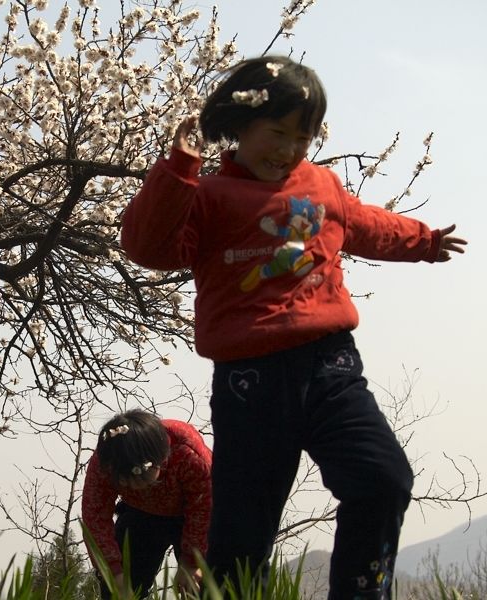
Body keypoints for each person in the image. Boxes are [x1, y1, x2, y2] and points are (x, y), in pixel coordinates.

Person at [120, 55, 467, 599]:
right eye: (276, 133)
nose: (286, 150)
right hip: (249, 382)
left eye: (301, 138)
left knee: (383, 480)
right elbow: (148, 247)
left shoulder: (321, 186)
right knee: (241, 537)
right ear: (238, 125)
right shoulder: (209, 197)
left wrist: (423, 241)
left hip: (331, 366)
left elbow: (367, 224)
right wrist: (178, 172)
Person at [81, 409, 212, 599]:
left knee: (204, 586)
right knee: (116, 589)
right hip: (139, 514)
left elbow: (204, 509)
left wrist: (192, 562)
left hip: (192, 516)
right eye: (123, 482)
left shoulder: (188, 454)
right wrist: (114, 574)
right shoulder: (105, 462)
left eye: (140, 480)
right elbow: (95, 518)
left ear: (158, 461)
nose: (133, 486)